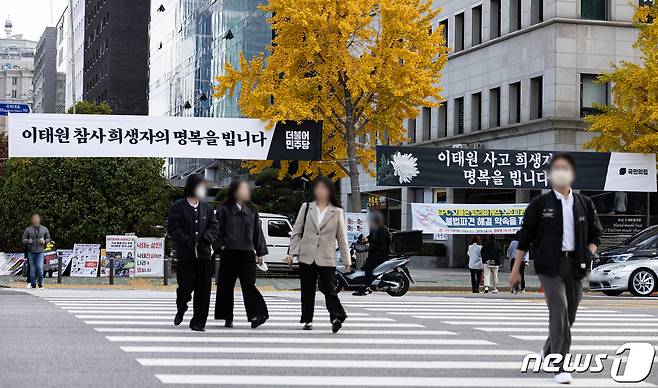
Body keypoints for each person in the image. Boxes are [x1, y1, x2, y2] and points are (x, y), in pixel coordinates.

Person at [510, 153, 602, 385]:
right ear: (550, 175)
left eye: (565, 168)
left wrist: (589, 251)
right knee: (559, 309)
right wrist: (515, 269)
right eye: (556, 168)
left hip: (576, 265)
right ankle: (559, 365)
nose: (561, 172)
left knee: (568, 316)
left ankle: (547, 350)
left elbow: (596, 234)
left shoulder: (584, 203)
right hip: (549, 266)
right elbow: (525, 238)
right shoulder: (539, 205)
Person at [287, 176, 351, 333]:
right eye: (318, 188)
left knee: (329, 288)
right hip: (306, 255)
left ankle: (336, 317)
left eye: (324, 188)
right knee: (307, 290)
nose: (320, 191)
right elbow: (297, 232)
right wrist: (292, 253)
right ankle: (307, 320)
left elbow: (341, 237)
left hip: (327, 257)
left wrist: (347, 259)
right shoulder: (306, 207)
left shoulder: (337, 211)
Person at [214, 179, 269, 329]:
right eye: (243, 189)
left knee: (249, 285)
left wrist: (260, 252)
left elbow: (257, 232)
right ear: (235, 191)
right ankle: (227, 317)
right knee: (226, 285)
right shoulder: (223, 209)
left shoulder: (252, 210)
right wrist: (221, 246)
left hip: (247, 253)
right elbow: (216, 231)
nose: (246, 192)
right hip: (229, 252)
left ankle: (256, 315)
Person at [167, 174, 219, 332]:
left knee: (204, 290)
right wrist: (186, 240)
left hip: (203, 255)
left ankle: (198, 322)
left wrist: (207, 238)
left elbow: (214, 226)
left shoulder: (207, 208)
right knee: (185, 286)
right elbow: (173, 228)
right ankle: (181, 306)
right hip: (186, 255)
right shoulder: (178, 206)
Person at [353, 211, 391, 296]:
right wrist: (364, 239)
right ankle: (365, 285)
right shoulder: (376, 229)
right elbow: (371, 237)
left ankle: (368, 287)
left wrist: (369, 240)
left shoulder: (382, 230)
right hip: (375, 253)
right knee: (365, 267)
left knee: (368, 268)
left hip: (380, 254)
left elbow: (379, 240)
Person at [21, 213, 51, 289]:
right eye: (34, 219)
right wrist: (28, 241)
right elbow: (23, 240)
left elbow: (48, 238)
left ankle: (40, 283)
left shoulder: (44, 229)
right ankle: (33, 284)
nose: (35, 220)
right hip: (31, 252)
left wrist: (45, 241)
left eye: (37, 219)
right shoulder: (28, 229)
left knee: (40, 268)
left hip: (40, 251)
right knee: (32, 269)